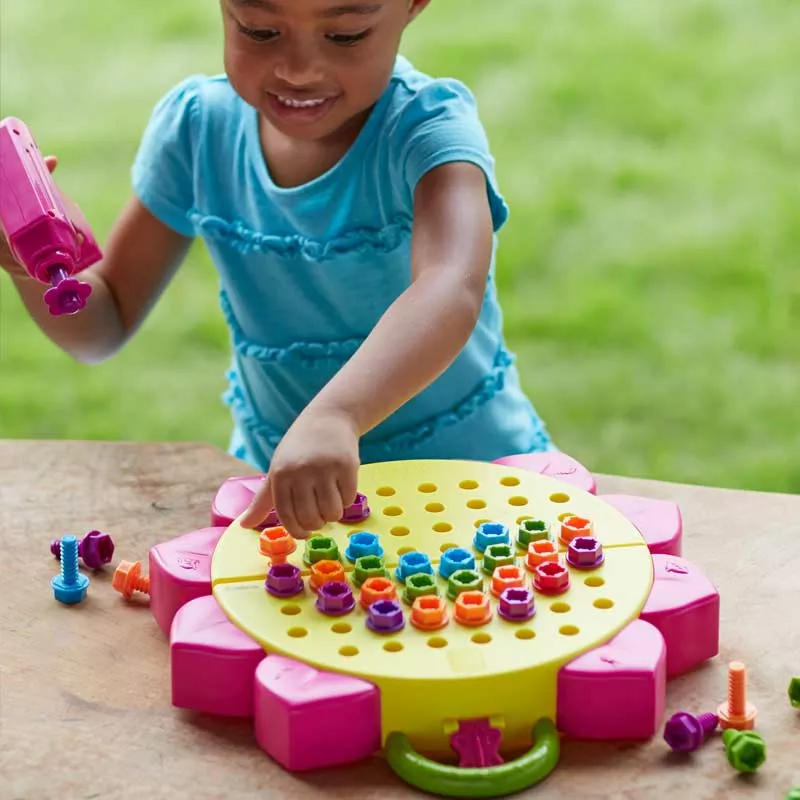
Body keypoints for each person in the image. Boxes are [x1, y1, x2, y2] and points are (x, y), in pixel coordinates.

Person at [0, 0, 553, 537]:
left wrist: (338, 414)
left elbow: (451, 285)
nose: (298, 68)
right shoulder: (197, 131)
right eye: (259, 30)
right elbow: (104, 323)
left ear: (414, 5)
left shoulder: (428, 131)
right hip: (291, 506)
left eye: (345, 35)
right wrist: (35, 268)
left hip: (473, 493)